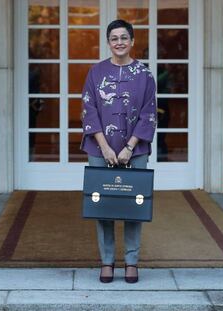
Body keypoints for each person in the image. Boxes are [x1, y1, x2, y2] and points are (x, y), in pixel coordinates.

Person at [80, 19, 157, 283]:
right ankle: (107, 261)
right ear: (108, 42)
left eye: (124, 37)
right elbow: (88, 110)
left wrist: (129, 147)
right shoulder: (96, 72)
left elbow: (149, 113)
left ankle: (132, 261)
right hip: (100, 149)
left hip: (134, 151)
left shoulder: (145, 75)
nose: (120, 42)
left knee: (134, 204)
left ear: (132, 41)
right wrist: (103, 146)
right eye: (114, 38)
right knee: (103, 205)